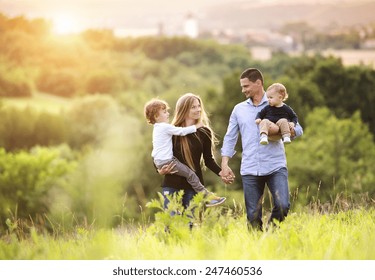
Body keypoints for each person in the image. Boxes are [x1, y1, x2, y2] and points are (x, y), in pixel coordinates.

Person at [220, 68, 303, 231]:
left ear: (258, 83)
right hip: (250, 167)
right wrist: (224, 163)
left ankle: (270, 235)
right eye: (242, 87)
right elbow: (230, 137)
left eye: (246, 86)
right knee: (253, 215)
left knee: (283, 205)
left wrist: (289, 131)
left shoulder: (278, 103)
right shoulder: (239, 109)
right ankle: (257, 248)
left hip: (275, 165)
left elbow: (299, 128)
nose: (243, 90)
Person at [144, 97, 226, 208]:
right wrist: (159, 170)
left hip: (192, 188)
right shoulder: (172, 130)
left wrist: (222, 173)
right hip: (172, 184)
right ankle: (207, 196)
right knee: (172, 222)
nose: (198, 109)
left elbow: (208, 160)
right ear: (184, 109)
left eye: (199, 106)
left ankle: (206, 196)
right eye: (193, 107)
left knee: (190, 223)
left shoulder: (204, 132)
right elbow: (158, 152)